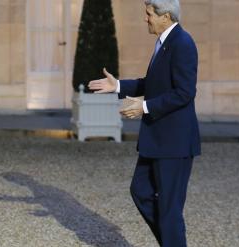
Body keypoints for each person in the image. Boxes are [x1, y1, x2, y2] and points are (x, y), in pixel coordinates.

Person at [88, 0, 200, 246]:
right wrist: (117, 86)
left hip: (174, 142)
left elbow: (185, 92)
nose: (145, 18)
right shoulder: (163, 43)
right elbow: (152, 83)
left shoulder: (183, 43)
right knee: (140, 191)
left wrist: (144, 107)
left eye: (149, 14)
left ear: (166, 16)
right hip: (156, 139)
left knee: (170, 211)